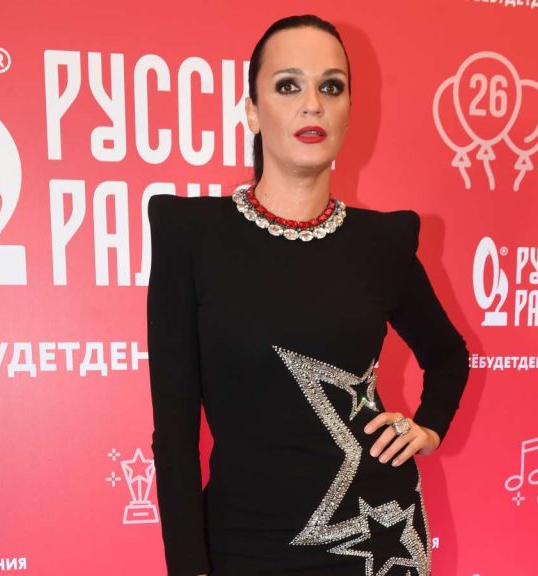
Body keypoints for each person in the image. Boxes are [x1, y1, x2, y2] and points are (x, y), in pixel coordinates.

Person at [147, 14, 469, 576]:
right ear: (252, 111)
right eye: (288, 85)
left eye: (332, 87)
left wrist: (427, 427)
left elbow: (448, 354)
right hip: (244, 546)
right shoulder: (190, 236)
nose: (313, 104)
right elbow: (174, 437)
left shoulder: (383, 243)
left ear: (348, 110)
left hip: (378, 541)